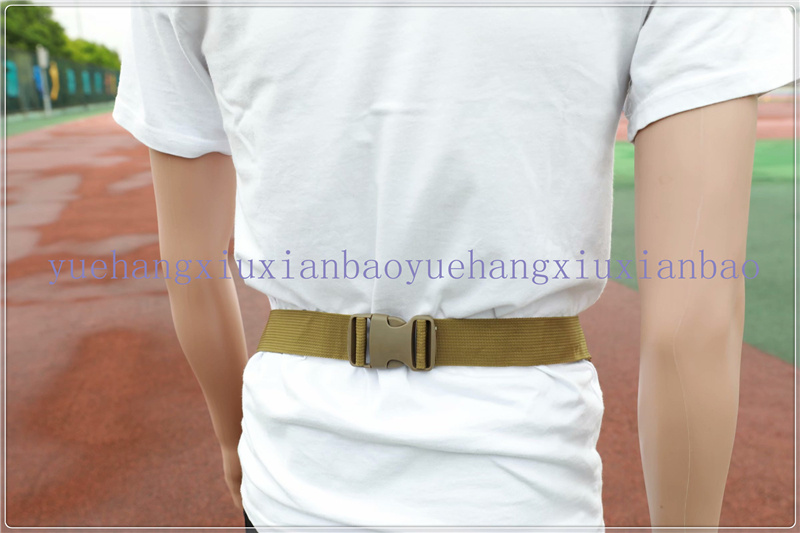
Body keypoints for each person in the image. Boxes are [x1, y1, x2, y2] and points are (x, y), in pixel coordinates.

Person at [112, 2, 797, 531]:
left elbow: (192, 270)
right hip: (526, 488)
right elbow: (691, 324)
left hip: (290, 480)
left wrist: (235, 437)